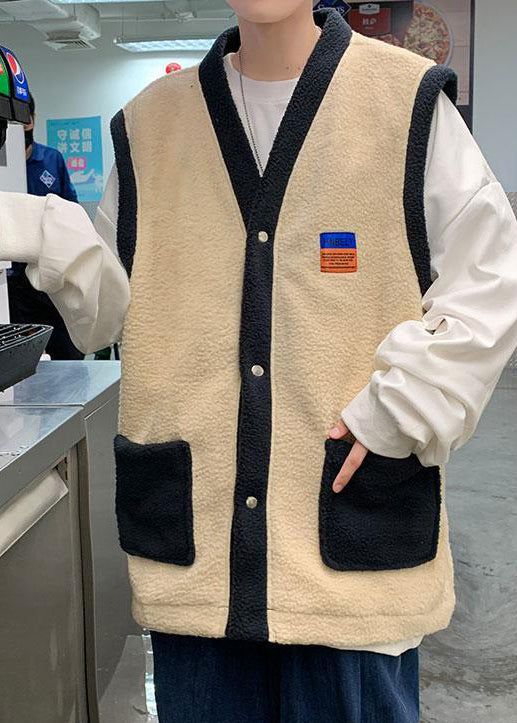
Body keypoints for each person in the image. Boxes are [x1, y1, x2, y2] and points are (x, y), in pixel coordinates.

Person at [1, 2, 517, 720]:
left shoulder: (405, 101)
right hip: (198, 567)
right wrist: (49, 235)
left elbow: (493, 280)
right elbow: (109, 314)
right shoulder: (149, 126)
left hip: (350, 559)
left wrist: (404, 406)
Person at [7, 91, 84, 360]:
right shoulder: (4, 167)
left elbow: (72, 213)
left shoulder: (52, 160)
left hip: (51, 275)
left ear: (31, 119)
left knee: (68, 355)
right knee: (22, 360)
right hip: (13, 283)